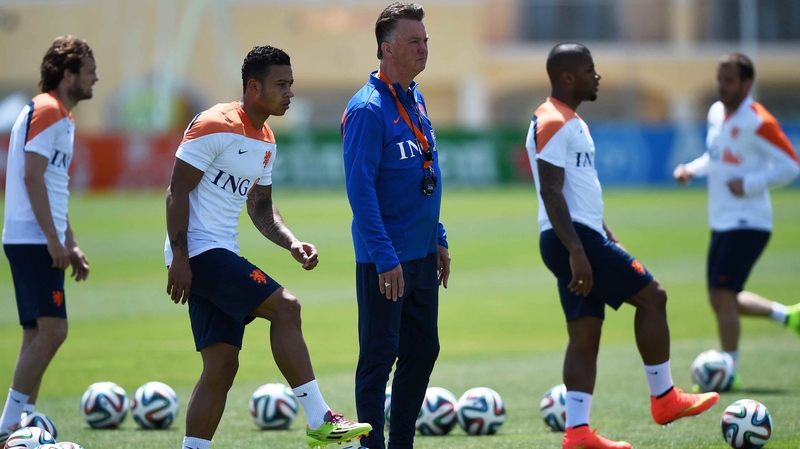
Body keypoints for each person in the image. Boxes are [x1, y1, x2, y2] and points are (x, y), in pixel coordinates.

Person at [165, 45, 371, 449]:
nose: (290, 93)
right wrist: (181, 258)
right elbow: (177, 192)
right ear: (253, 86)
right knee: (286, 306)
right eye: (281, 85)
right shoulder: (214, 123)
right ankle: (319, 419)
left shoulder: (267, 138)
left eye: (291, 84)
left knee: (221, 366)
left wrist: (292, 244)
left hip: (221, 251)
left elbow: (260, 207)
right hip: (200, 253)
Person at [527, 43, 720, 449]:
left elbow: (580, 194)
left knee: (585, 333)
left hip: (581, 237)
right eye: (588, 69)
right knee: (653, 297)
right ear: (566, 77)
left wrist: (607, 238)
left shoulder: (570, 120)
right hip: (572, 241)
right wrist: (579, 250)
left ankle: (577, 433)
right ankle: (665, 398)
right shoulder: (552, 120)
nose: (596, 76)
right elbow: (551, 191)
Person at [341, 3, 450, 448]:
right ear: (386, 49)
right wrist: (385, 258)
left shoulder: (416, 97)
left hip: (422, 252)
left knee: (423, 350)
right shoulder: (368, 108)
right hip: (386, 258)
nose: (423, 49)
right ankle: (372, 446)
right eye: (413, 42)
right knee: (380, 355)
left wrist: (438, 237)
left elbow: (423, 174)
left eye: (425, 41)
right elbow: (360, 189)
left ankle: (400, 442)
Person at [673, 53, 800, 386]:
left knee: (722, 294)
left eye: (728, 81)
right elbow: (714, 158)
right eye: (719, 79)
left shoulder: (759, 121)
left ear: (746, 84)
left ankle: (729, 370)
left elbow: (791, 165)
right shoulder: (716, 112)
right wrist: (692, 169)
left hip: (750, 221)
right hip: (723, 220)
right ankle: (788, 316)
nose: (722, 87)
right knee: (722, 296)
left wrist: (749, 183)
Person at [0, 35, 96, 445]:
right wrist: (54, 240)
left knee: (36, 334)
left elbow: (54, 186)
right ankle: (7, 426)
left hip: (38, 236)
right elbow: (31, 176)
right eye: (89, 71)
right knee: (54, 330)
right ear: (68, 74)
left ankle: (20, 427)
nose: (96, 78)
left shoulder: (62, 116)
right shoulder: (48, 109)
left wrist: (69, 240)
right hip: (32, 239)